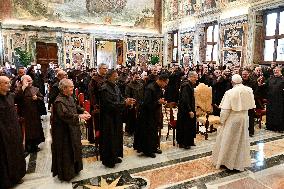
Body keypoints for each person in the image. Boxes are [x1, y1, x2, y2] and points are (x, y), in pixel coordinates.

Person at [212, 74, 255, 171]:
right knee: (240, 141)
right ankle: (238, 163)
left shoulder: (230, 92)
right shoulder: (249, 90)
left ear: (232, 82)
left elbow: (225, 110)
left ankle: (226, 162)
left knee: (228, 141)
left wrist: (222, 121)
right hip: (244, 117)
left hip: (233, 119)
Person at [51, 79, 91, 181]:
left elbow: (75, 106)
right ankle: (67, 174)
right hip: (64, 132)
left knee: (75, 148)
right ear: (64, 89)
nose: (73, 88)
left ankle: (75, 169)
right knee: (67, 152)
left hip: (72, 129)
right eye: (71, 87)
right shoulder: (59, 101)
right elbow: (64, 115)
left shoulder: (69, 97)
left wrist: (83, 110)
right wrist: (79, 116)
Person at [99, 69, 135, 168]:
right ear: (109, 76)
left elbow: (120, 97)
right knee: (109, 138)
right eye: (115, 76)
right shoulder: (104, 89)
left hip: (116, 116)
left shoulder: (115, 86)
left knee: (117, 137)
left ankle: (115, 156)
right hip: (108, 118)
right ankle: (108, 160)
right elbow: (109, 105)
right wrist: (124, 103)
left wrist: (126, 100)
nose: (117, 77)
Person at [0, 76, 26, 189]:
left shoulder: (10, 96)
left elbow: (18, 96)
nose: (9, 85)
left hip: (14, 130)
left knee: (16, 153)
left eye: (9, 82)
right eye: (6, 83)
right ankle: (7, 181)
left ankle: (17, 176)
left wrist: (23, 87)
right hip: (2, 132)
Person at [134, 73, 169, 158]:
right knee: (148, 132)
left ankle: (153, 147)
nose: (166, 85)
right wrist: (158, 102)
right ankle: (147, 151)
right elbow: (146, 103)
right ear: (161, 80)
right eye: (165, 83)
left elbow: (158, 98)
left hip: (154, 113)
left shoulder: (158, 87)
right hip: (146, 114)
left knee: (154, 131)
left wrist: (162, 101)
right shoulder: (150, 88)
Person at [15, 75, 45, 153]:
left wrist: (37, 98)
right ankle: (27, 146)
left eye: (30, 80)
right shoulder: (19, 89)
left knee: (35, 130)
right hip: (24, 114)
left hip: (34, 114)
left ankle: (35, 145)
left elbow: (42, 98)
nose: (30, 82)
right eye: (27, 80)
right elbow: (16, 99)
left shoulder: (35, 89)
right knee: (27, 131)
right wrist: (23, 87)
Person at [176, 71, 198, 149]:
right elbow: (185, 99)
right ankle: (184, 143)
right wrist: (189, 110)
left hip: (189, 108)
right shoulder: (186, 85)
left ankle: (189, 141)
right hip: (185, 110)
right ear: (191, 76)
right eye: (195, 77)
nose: (197, 79)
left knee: (190, 126)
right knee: (185, 126)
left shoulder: (189, 84)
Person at [258, 66, 284, 132]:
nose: (275, 71)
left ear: (280, 71)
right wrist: (260, 84)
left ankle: (279, 127)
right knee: (270, 113)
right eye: (274, 70)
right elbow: (264, 85)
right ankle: (270, 126)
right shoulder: (270, 78)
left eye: (277, 70)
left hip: (280, 100)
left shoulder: (283, 79)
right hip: (270, 99)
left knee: (278, 114)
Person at [88, 63, 108, 143]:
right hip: (98, 105)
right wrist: (95, 105)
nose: (106, 70)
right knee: (98, 124)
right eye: (104, 68)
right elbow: (91, 93)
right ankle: (98, 139)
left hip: (106, 104)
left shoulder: (107, 78)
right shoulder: (94, 79)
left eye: (106, 68)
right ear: (99, 69)